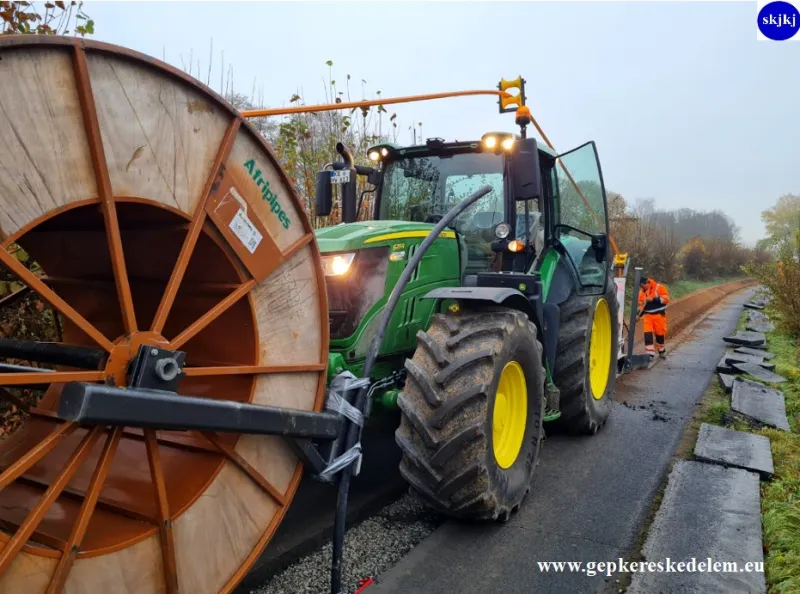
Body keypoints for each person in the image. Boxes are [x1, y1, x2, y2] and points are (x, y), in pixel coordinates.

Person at [637, 276, 670, 359]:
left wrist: (653, 299)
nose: (641, 288)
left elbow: (666, 299)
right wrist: (638, 315)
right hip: (648, 317)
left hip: (659, 316)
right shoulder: (641, 293)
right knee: (647, 335)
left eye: (642, 286)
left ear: (646, 283)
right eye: (640, 287)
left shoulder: (659, 287)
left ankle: (661, 351)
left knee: (660, 335)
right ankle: (650, 354)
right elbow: (641, 307)